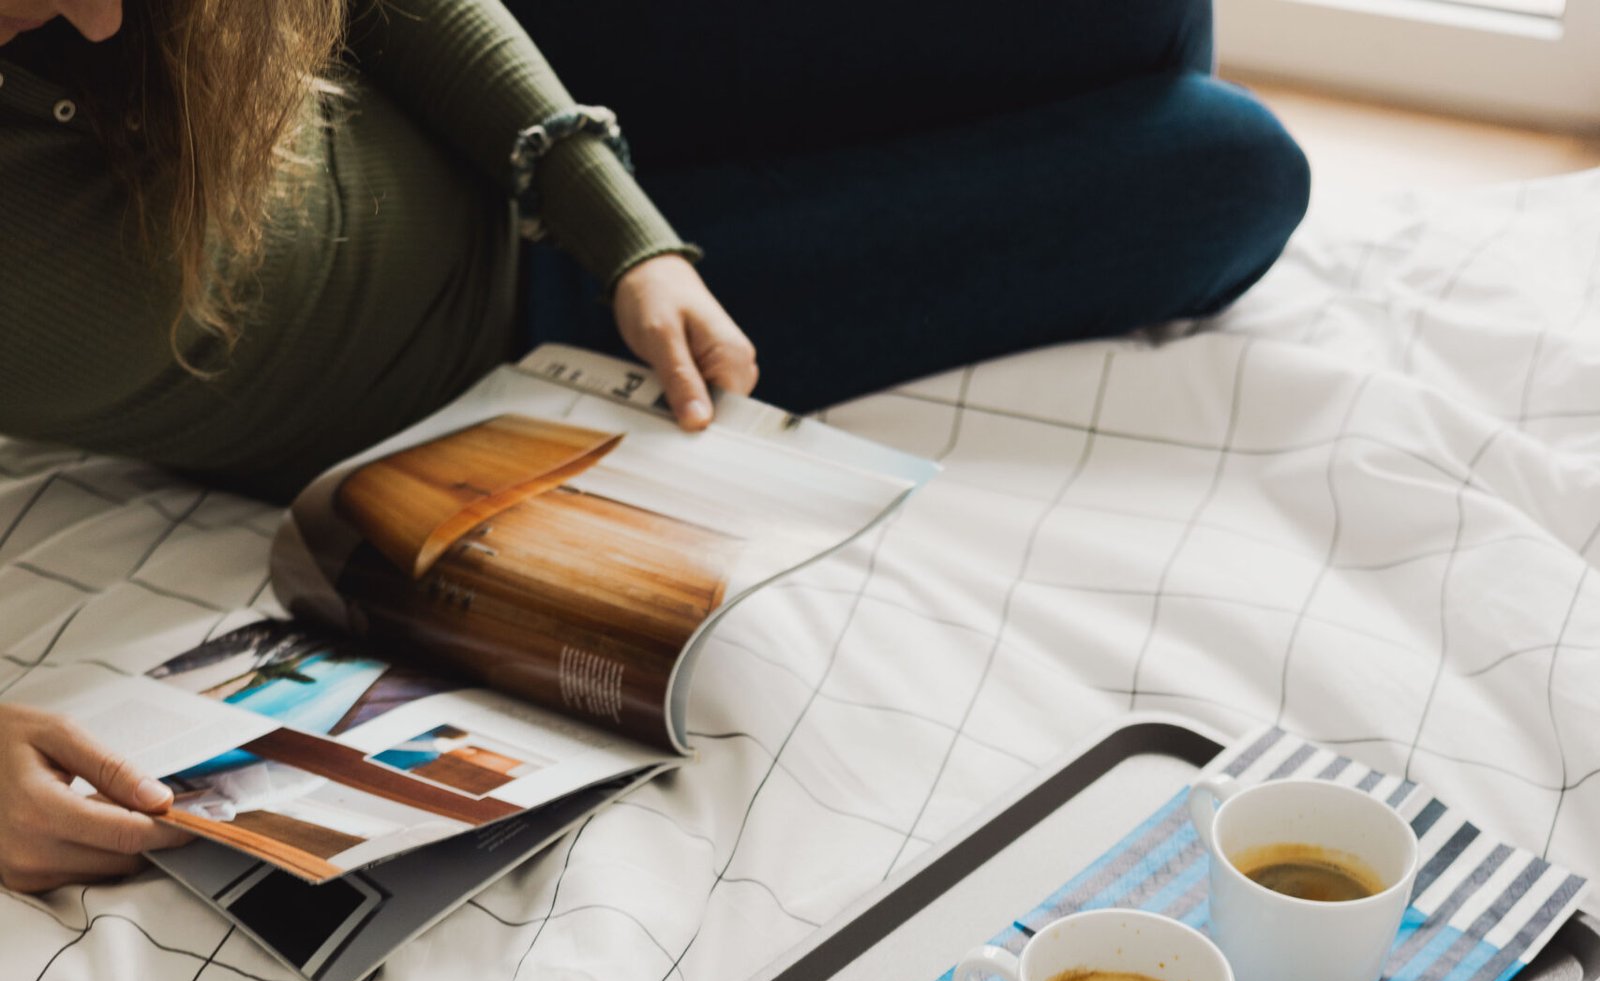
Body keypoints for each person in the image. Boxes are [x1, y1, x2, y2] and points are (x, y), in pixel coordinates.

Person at [0, 0, 1308, 894]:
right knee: (1226, 168)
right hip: (514, 341)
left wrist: (628, 229)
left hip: (542, 103)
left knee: (1134, 16)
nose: (113, 22)